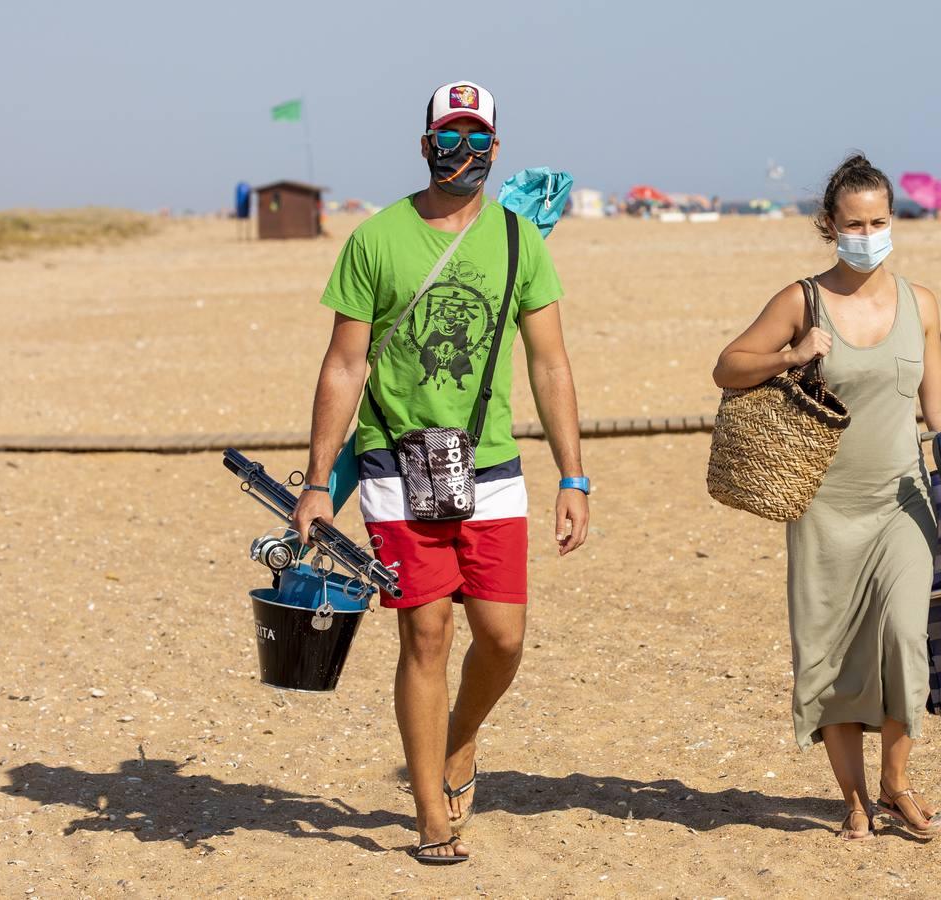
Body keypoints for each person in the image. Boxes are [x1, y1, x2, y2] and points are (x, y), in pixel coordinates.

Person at [291, 80, 590, 866]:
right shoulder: (376, 240)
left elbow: (551, 363)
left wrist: (574, 476)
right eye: (449, 139)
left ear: (497, 147)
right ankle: (430, 810)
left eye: (478, 140)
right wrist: (318, 482)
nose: (464, 154)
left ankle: (460, 739)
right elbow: (344, 363)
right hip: (395, 464)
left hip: (489, 469)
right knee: (424, 631)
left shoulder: (521, 240)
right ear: (425, 145)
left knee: (502, 637)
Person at [712, 154, 941, 842]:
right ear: (830, 225)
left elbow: (940, 407)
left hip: (903, 499)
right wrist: (790, 355)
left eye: (879, 221)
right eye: (854, 223)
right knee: (830, 652)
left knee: (902, 638)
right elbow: (728, 365)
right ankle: (853, 799)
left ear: (893, 220)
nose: (868, 233)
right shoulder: (802, 299)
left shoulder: (923, 304)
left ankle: (897, 784)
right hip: (824, 505)